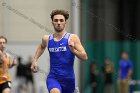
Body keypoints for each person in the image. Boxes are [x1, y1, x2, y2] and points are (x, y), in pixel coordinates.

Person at [31, 9, 88, 93]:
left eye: (61, 20)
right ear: (52, 23)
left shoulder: (72, 38)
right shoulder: (47, 39)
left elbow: (84, 57)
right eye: (56, 20)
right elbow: (41, 47)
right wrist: (34, 60)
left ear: (65, 23)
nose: (58, 23)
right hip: (53, 78)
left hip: (69, 80)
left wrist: (73, 50)